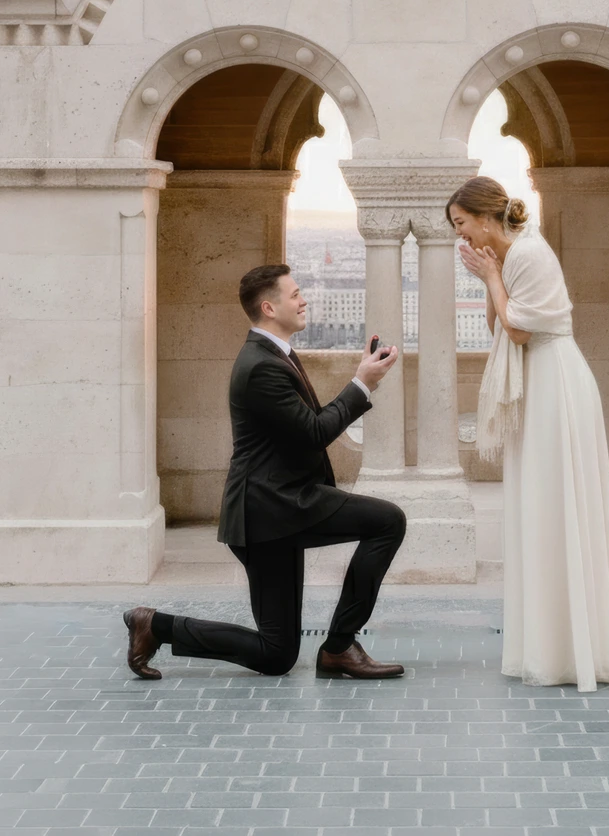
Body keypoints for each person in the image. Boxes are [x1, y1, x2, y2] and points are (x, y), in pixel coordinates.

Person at [124, 262, 406, 680]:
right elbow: (313, 432)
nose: (304, 299)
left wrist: (362, 381)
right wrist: (362, 383)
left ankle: (157, 626)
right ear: (269, 307)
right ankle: (339, 647)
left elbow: (301, 428)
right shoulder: (261, 366)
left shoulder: (274, 355)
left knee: (276, 655)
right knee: (388, 521)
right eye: (295, 294)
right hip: (270, 512)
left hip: (283, 508)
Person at [449, 176, 609, 692]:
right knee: (540, 506)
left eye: (461, 224)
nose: (461, 237)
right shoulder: (508, 257)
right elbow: (499, 322)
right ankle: (549, 640)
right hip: (536, 383)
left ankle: (572, 646)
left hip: (554, 382)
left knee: (557, 502)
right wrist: (490, 278)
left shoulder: (528, 254)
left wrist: (491, 277)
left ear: (486, 216)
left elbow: (517, 329)